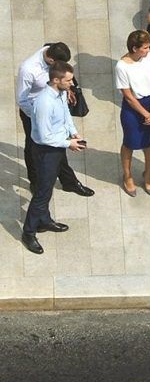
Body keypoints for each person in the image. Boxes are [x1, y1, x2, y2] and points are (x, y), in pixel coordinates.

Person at [21, 62, 87, 255]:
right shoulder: (44, 102)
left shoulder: (61, 93)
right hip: (45, 151)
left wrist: (73, 134)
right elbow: (43, 136)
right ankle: (29, 232)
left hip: (57, 146)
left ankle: (44, 220)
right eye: (67, 80)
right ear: (56, 80)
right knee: (42, 192)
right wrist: (69, 144)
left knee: (47, 188)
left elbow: (66, 114)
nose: (71, 83)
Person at [16, 42, 93, 196]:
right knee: (33, 147)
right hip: (34, 112)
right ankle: (36, 182)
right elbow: (22, 100)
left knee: (57, 147)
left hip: (54, 106)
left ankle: (69, 182)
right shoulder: (29, 69)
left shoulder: (54, 52)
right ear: (51, 61)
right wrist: (39, 116)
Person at [115, 30, 150, 197]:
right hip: (133, 108)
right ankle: (127, 176)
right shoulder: (122, 66)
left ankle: (147, 176)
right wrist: (145, 114)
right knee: (130, 143)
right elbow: (127, 96)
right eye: (145, 48)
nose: (148, 50)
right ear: (135, 48)